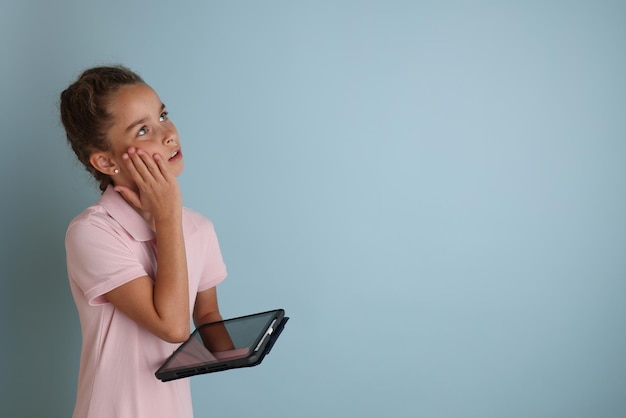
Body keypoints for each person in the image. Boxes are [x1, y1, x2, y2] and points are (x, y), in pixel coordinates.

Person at [60, 65, 229, 418]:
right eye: (143, 129)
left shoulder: (198, 227)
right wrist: (167, 218)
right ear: (106, 160)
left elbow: (206, 314)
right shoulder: (92, 232)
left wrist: (234, 352)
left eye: (163, 114)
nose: (168, 134)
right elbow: (172, 326)